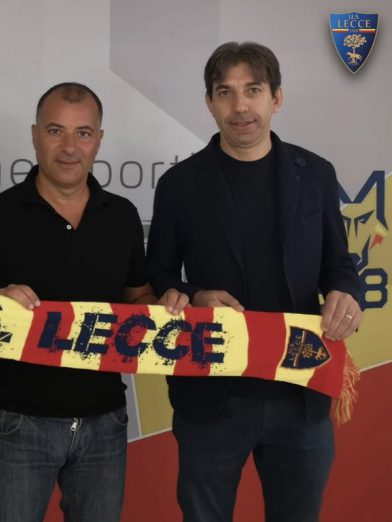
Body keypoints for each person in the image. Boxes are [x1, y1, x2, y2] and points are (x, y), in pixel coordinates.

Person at [147, 41, 362, 522]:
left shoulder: (316, 174)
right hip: (211, 396)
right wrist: (196, 296)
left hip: (301, 391)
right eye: (225, 92)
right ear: (209, 102)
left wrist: (346, 293)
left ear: (276, 98)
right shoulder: (179, 185)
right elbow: (159, 275)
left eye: (253, 90)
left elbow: (339, 264)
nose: (240, 106)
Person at [0, 82, 187, 522]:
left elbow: (137, 297)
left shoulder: (121, 216)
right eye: (55, 131)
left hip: (105, 421)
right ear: (34, 135)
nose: (69, 147)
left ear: (98, 139)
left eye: (83, 133)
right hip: (18, 422)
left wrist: (166, 306)